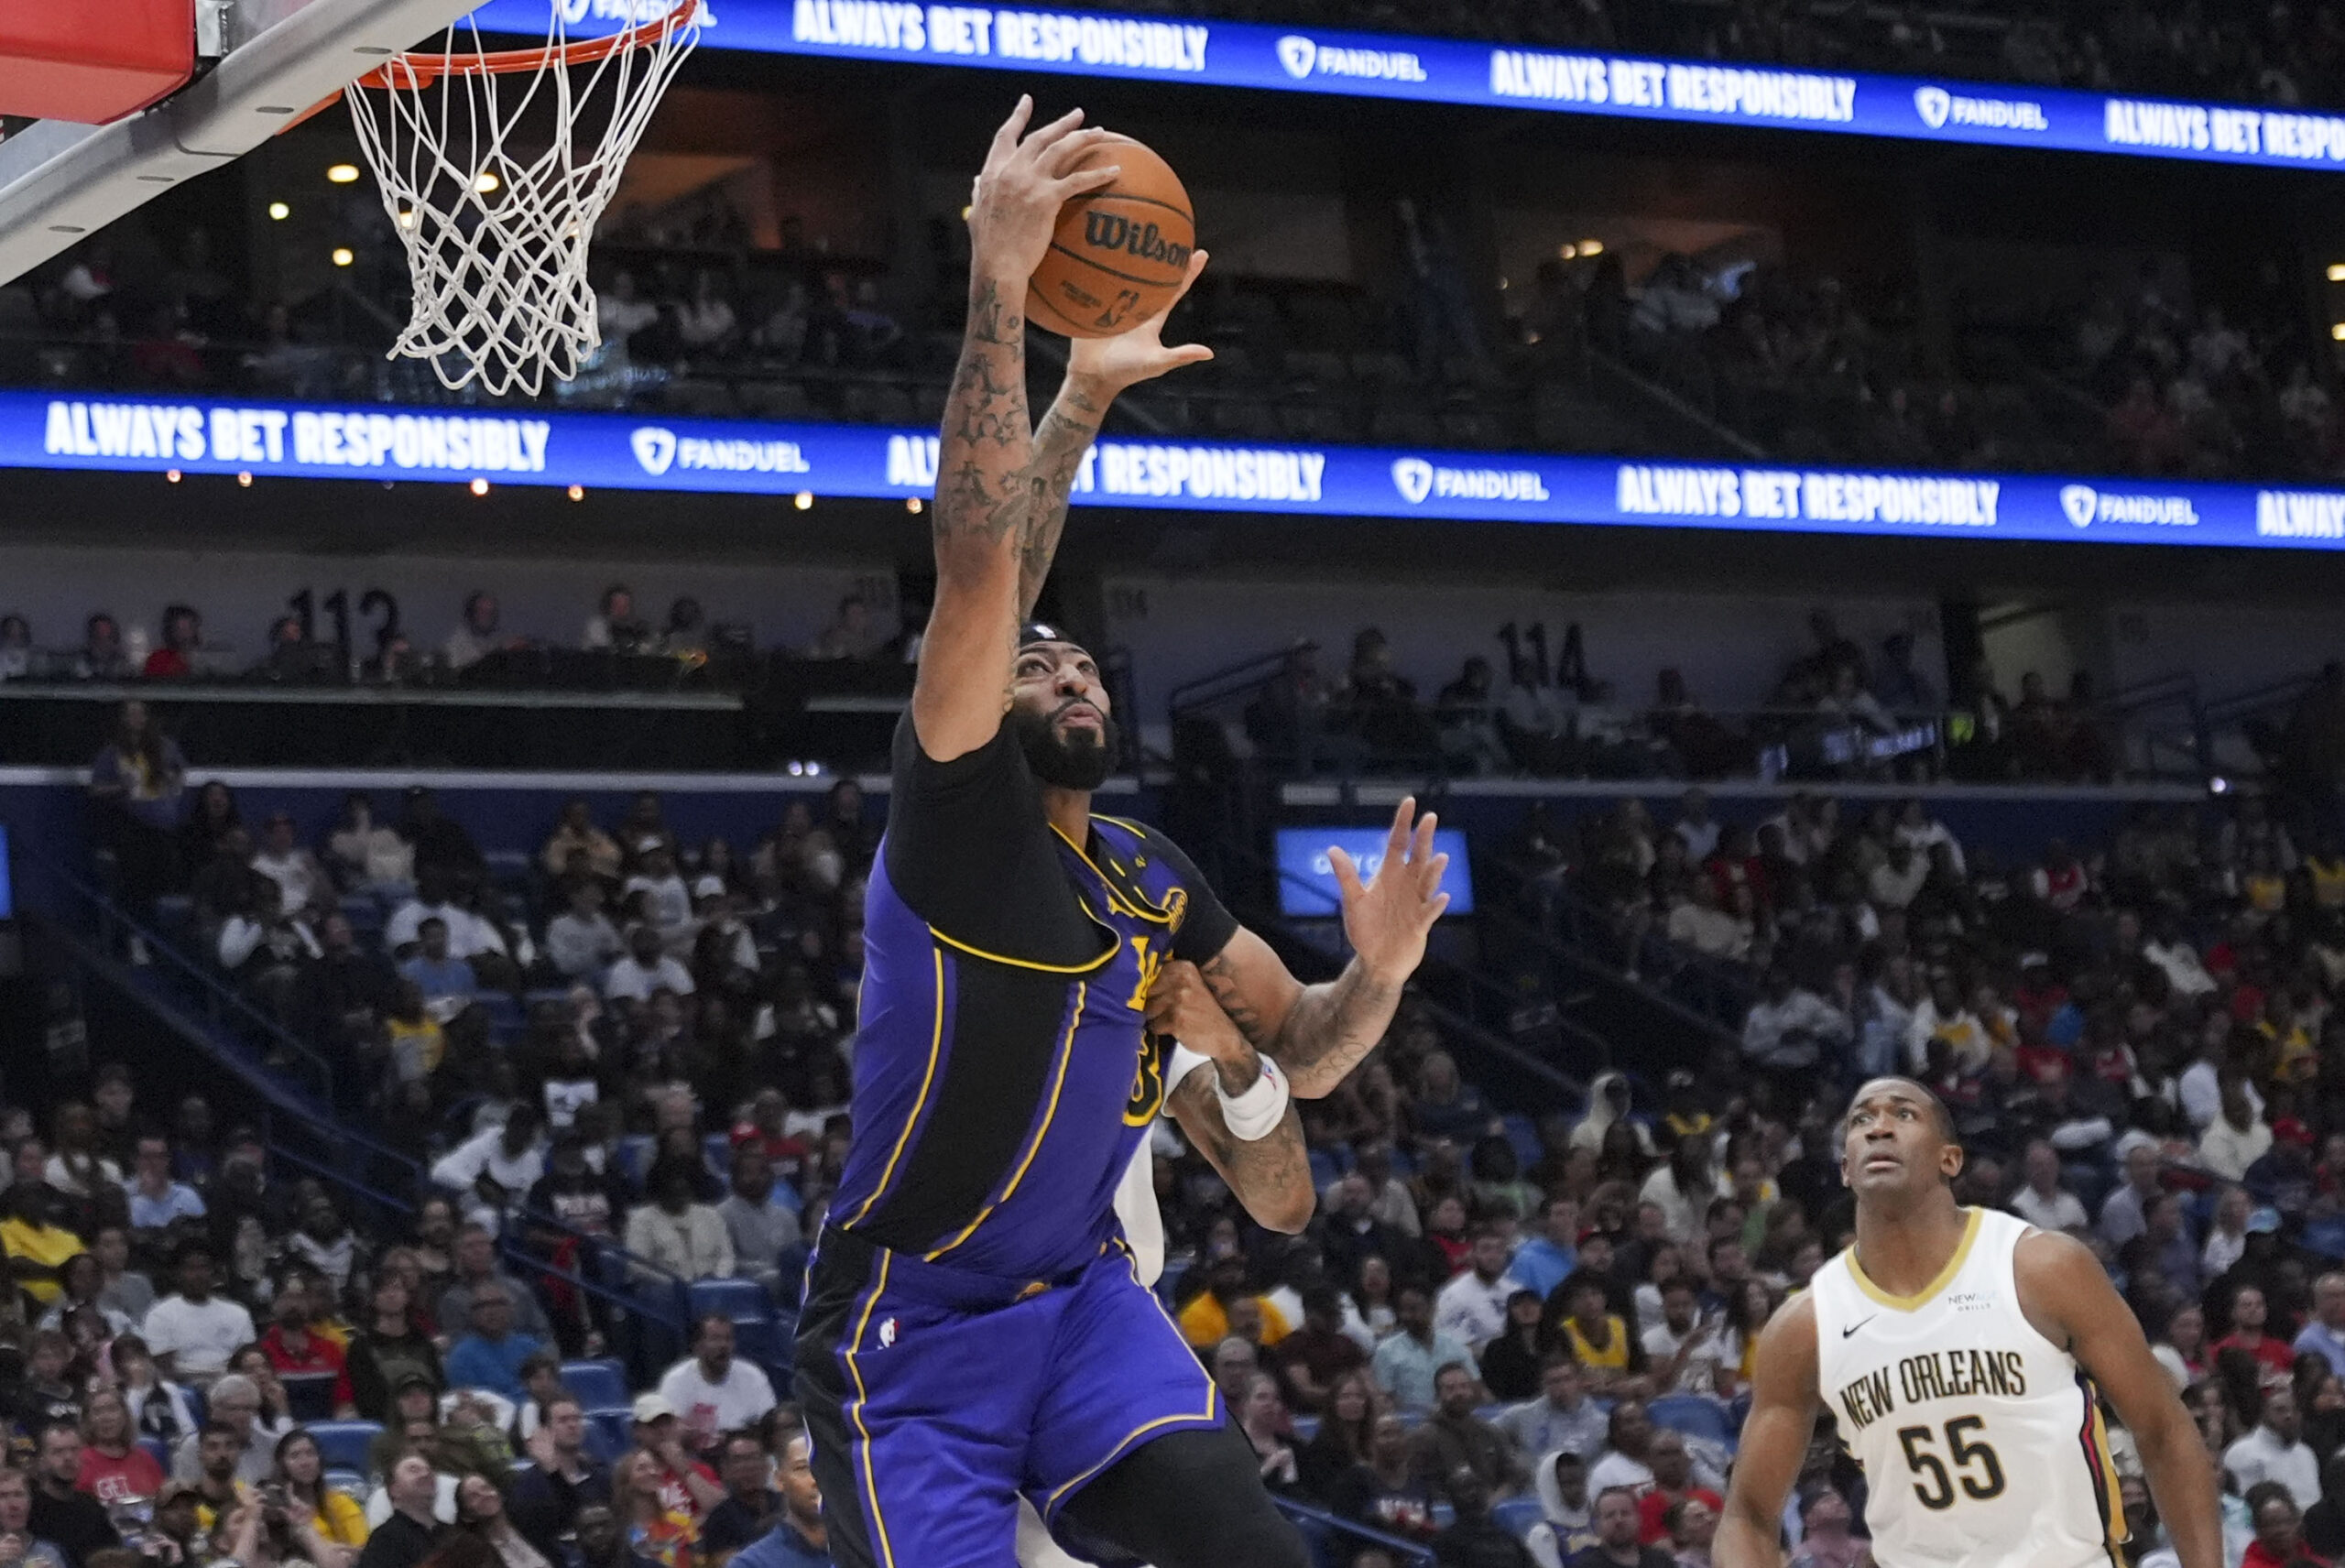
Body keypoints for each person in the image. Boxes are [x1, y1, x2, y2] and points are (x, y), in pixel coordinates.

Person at [795, 97, 1447, 1568]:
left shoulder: (1151, 868)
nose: (1070, 671)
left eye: (1085, 661)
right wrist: (1002, 297)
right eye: (1037, 665)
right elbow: (979, 563)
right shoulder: (959, 822)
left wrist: (1385, 974)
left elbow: (1297, 1062)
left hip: (1087, 1298)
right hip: (914, 1325)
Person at [1714, 1077, 2220, 1568]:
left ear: (1949, 1159)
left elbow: (2164, 1431)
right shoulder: (1807, 1325)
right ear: (1846, 1168)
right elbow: (1748, 1517)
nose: (1878, 1128)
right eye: (1862, 1120)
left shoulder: (2041, 1269)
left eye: (1903, 1114)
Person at [511, 1398, 612, 1563]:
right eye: (563, 1420)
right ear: (545, 1431)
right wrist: (553, 1472)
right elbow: (572, 1520)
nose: (573, 1425)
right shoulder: (529, 1485)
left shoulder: (600, 1474)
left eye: (576, 1418)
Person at [657, 1318, 776, 1456]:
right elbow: (669, 1435)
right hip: (698, 1459)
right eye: (715, 1339)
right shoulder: (676, 1380)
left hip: (744, 1456)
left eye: (728, 1339)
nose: (723, 1345)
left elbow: (769, 1424)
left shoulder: (753, 1375)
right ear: (697, 1346)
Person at [142, 1243, 255, 1388]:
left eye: (204, 1268)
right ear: (178, 1274)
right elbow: (163, 1369)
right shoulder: (160, 1314)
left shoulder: (238, 1314)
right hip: (184, 1387)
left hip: (232, 1385)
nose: (198, 1275)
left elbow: (247, 1360)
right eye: (191, 1269)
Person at [725, 1430, 829, 1568]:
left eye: (825, 1467)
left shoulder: (861, 1546)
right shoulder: (752, 1563)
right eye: (802, 1468)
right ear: (779, 1479)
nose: (816, 1479)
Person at [1373, 1288, 1480, 1416]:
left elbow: (1475, 1388)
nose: (1406, 1316)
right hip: (1409, 1424)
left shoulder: (1456, 1346)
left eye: (1413, 1309)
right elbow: (1385, 1398)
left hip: (1455, 1418)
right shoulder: (1386, 1351)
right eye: (1403, 1310)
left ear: (1431, 1309)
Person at [27, 1422, 117, 1568]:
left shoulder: (93, 1508)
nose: (68, 1457)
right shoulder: (29, 1509)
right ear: (41, 1461)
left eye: (74, 1450)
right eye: (58, 1451)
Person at [442, 1285, 547, 1404]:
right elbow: (473, 1404)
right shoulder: (461, 1357)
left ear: (511, 1309)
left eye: (499, 1303)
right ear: (472, 1315)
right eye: (482, 1306)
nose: (491, 1311)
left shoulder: (530, 1346)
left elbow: (549, 1388)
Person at [2226, 1387, 2322, 1512]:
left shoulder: (2306, 1453)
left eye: (2295, 1410)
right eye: (2280, 1410)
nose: (2289, 1415)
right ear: (2264, 1413)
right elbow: (2241, 1505)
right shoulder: (2242, 1452)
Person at [277, 1429, 368, 1553]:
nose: (305, 1462)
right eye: (295, 1456)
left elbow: (366, 1550)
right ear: (282, 1464)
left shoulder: (339, 1501)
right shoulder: (278, 1510)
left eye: (310, 1453)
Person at [695, 1434, 781, 1565]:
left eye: (754, 1458)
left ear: (767, 1464)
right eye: (739, 1460)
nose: (748, 1466)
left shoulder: (787, 1504)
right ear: (725, 1469)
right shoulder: (719, 1520)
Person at [73, 1390, 160, 1508]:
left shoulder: (145, 1459)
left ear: (125, 1416)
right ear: (87, 1420)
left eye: (112, 1409)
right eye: (97, 1412)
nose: (106, 1418)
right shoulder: (79, 1462)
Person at [357, 1455, 444, 1568]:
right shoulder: (385, 1540)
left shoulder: (454, 1534)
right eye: (413, 1470)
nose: (426, 1474)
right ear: (394, 1489)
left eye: (429, 1470)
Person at [454, 1473, 546, 1568]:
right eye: (474, 1496)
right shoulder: (478, 1555)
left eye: (486, 1488)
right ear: (466, 1516)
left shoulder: (531, 1524)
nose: (485, 1495)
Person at [1572, 1487, 1673, 1568]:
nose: (1619, 1520)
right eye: (1610, 1515)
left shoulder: (1660, 1560)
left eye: (1625, 1513)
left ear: (1639, 1518)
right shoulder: (1586, 1565)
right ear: (1598, 1525)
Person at [0, 1467, 69, 1568]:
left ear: (30, 1502)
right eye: (3, 1496)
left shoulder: (49, 1553)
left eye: (19, 1495)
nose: (13, 1505)